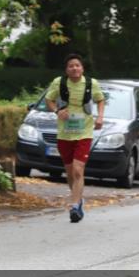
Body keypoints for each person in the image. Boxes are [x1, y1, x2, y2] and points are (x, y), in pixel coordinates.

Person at [43, 53, 105, 223]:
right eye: (71, 66)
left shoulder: (91, 83)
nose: (74, 68)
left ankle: (75, 206)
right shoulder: (59, 82)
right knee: (70, 171)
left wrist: (100, 117)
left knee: (78, 170)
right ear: (66, 70)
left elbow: (100, 100)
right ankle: (78, 198)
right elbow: (49, 100)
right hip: (65, 133)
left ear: (82, 68)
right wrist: (57, 111)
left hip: (84, 132)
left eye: (77, 65)